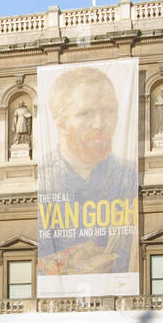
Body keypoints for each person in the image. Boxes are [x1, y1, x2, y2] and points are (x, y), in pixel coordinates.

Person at [37, 67, 137, 278]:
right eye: (86, 113)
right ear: (61, 124)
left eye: (109, 111)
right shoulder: (43, 178)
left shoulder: (129, 175)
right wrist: (66, 265)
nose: (101, 124)